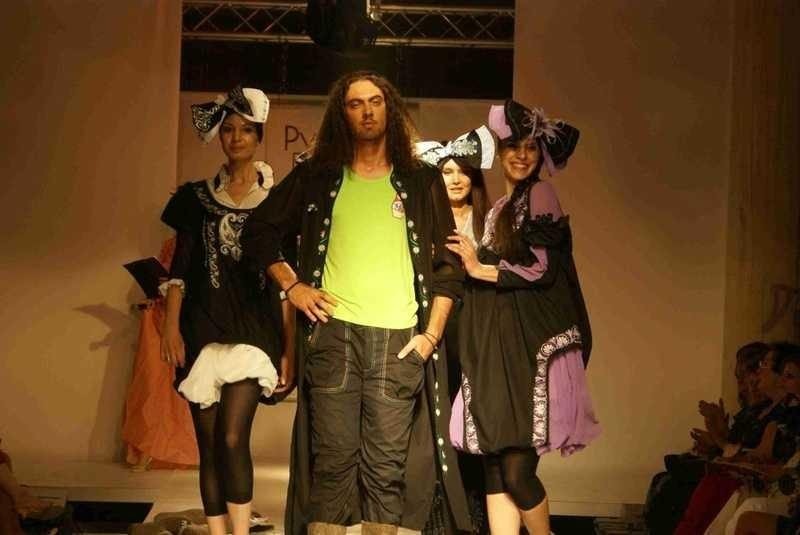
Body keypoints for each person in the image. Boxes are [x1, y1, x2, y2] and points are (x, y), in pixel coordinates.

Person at [242, 71, 470, 535]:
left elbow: (449, 268)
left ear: (390, 108)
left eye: (375, 101)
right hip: (334, 336)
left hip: (399, 341)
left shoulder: (421, 180)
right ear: (341, 114)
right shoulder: (318, 176)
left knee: (386, 472)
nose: (367, 111)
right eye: (355, 103)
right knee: (331, 465)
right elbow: (259, 231)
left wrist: (430, 336)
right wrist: (293, 286)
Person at [446, 100, 600, 534]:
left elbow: (541, 269)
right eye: (513, 146)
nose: (521, 155)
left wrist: (478, 267)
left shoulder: (540, 194)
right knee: (496, 465)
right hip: (502, 349)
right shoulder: (502, 206)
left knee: (516, 469)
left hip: (528, 348)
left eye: (531, 147)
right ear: (501, 150)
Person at [159, 86, 295, 535]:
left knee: (233, 437)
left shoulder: (277, 201)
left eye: (246, 130)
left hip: (255, 331)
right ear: (220, 136)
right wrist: (170, 326)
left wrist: (290, 349)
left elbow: (286, 282)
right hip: (203, 330)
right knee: (210, 446)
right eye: (229, 130)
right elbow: (180, 269)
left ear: (259, 137)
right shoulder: (195, 199)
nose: (236, 138)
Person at [416, 126, 494, 534]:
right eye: (446, 171)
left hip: (480, 332)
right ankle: (438, 516)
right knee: (438, 419)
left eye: (463, 170)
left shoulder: (491, 220)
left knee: (475, 422)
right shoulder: (424, 220)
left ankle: (477, 515)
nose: (456, 178)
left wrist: (477, 261)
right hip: (440, 329)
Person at [122, 237, 199, 472]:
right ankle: (148, 450)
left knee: (184, 387)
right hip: (160, 318)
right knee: (152, 385)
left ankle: (187, 452)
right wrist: (155, 294)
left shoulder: (202, 240)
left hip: (188, 321)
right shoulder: (170, 243)